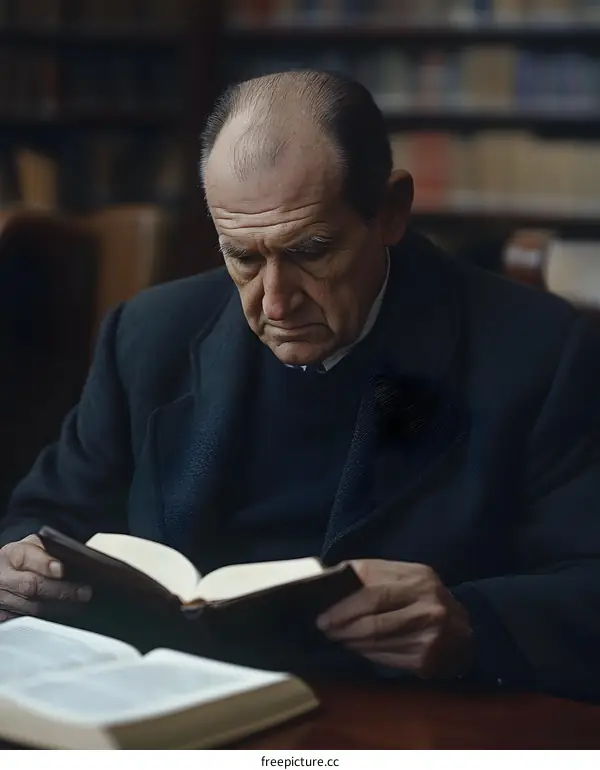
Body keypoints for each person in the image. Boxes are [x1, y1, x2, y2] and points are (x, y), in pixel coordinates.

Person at [1, 70, 600, 701]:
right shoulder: (148, 335)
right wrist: (17, 564)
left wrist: (472, 623)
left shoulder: (538, 351)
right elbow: (46, 514)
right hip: (171, 703)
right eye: (243, 257)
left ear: (391, 211)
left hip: (402, 721)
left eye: (312, 250)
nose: (276, 302)